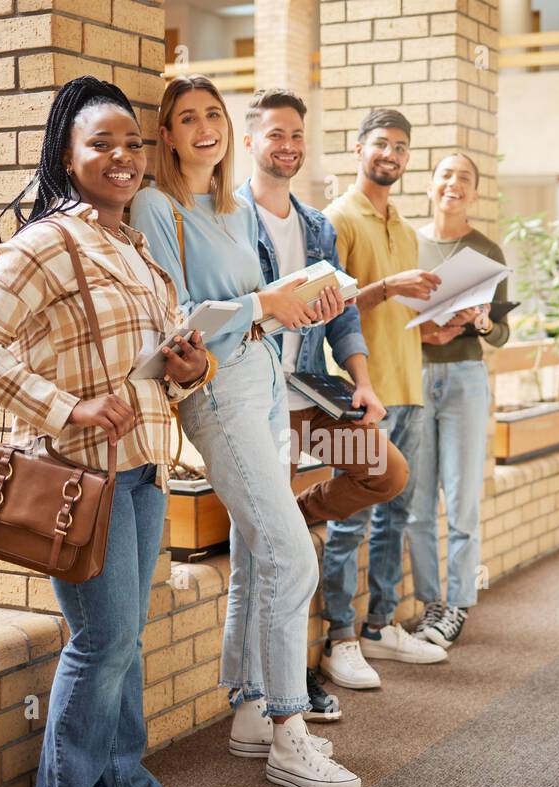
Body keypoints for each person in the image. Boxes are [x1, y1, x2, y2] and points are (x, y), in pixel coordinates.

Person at [0, 77, 214, 787]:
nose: (123, 156)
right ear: (66, 153)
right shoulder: (46, 242)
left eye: (133, 143)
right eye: (102, 143)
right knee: (101, 639)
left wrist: (189, 364)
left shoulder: (131, 244)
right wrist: (68, 408)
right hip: (79, 475)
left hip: (142, 471)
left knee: (126, 637)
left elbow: (157, 359)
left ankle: (123, 785)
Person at [128, 75, 361, 787]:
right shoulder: (154, 206)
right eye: (187, 117)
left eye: (213, 115)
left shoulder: (229, 208)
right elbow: (173, 322)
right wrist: (263, 302)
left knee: (261, 552)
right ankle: (292, 734)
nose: (205, 127)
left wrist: (293, 305)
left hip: (265, 377)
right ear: (166, 134)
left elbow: (252, 313)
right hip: (217, 391)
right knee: (294, 553)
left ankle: (253, 711)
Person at [237, 87, 411, 698]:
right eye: (275, 134)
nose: (287, 146)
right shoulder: (229, 218)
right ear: (251, 140)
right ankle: (272, 690)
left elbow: (342, 318)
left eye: (296, 136)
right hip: (255, 404)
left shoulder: (314, 226)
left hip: (310, 394)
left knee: (384, 472)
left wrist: (363, 383)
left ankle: (302, 516)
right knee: (271, 565)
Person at [320, 108, 459, 685]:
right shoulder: (334, 220)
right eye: (382, 144)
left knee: (396, 514)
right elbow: (327, 307)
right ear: (358, 150)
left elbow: (401, 315)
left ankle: (378, 627)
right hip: (360, 394)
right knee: (351, 518)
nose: (392, 155)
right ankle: (339, 638)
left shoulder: (404, 228)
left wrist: (439, 328)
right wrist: (387, 286)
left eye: (401, 147)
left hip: (410, 386)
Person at [407, 153, 510, 649]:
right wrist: (426, 329)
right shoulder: (409, 244)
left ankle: (459, 603)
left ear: (473, 194)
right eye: (446, 176)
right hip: (417, 375)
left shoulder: (487, 251)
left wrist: (482, 321)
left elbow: (503, 333)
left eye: (464, 179)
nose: (454, 184)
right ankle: (431, 603)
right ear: (431, 186)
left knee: (462, 500)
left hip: (466, 379)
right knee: (419, 504)